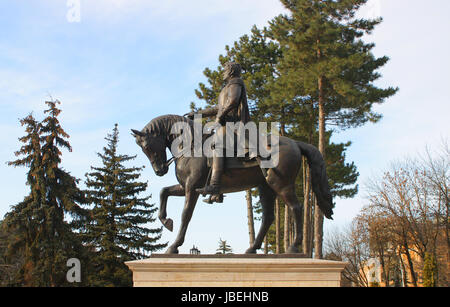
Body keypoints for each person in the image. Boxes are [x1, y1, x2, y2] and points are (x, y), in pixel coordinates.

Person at [186, 62, 250, 202]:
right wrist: (198, 113)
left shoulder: (235, 83)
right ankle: (217, 191)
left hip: (235, 125)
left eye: (225, 70)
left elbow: (232, 102)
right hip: (228, 125)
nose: (223, 73)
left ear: (231, 71)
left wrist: (219, 117)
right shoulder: (227, 87)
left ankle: (215, 186)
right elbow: (219, 107)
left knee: (216, 143)